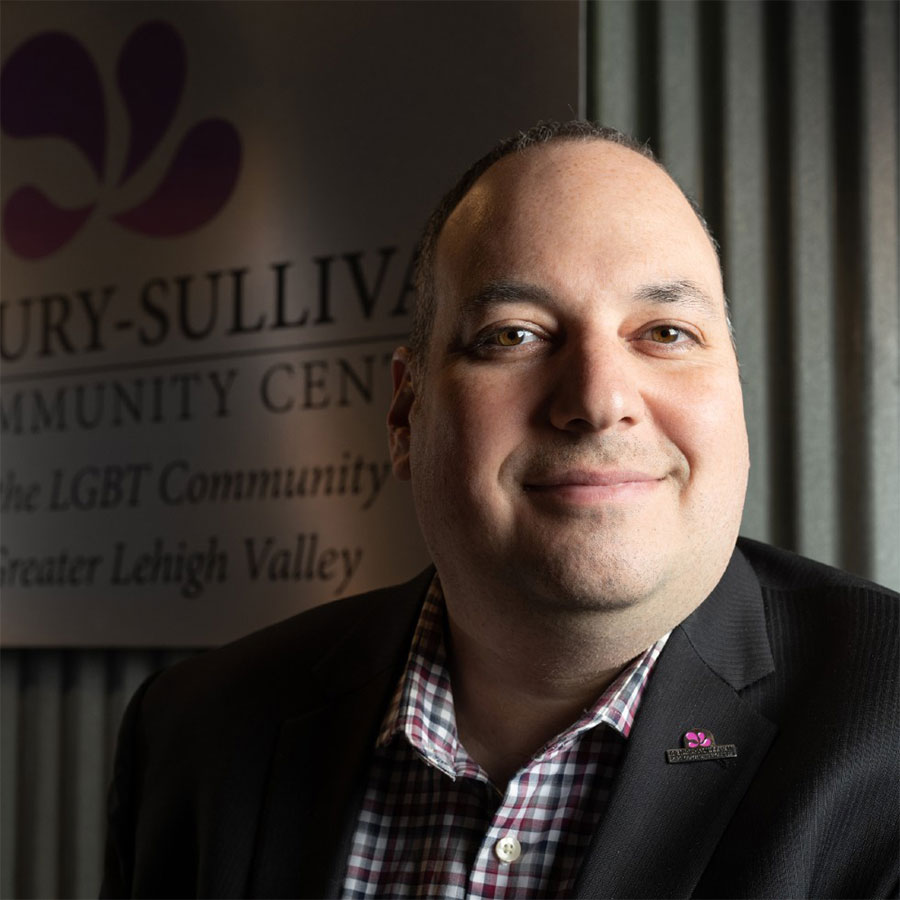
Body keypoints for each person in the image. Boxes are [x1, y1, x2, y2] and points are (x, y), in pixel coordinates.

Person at [101, 121, 898, 899]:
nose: (598, 398)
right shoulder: (193, 736)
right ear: (404, 414)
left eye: (665, 331)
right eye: (514, 334)